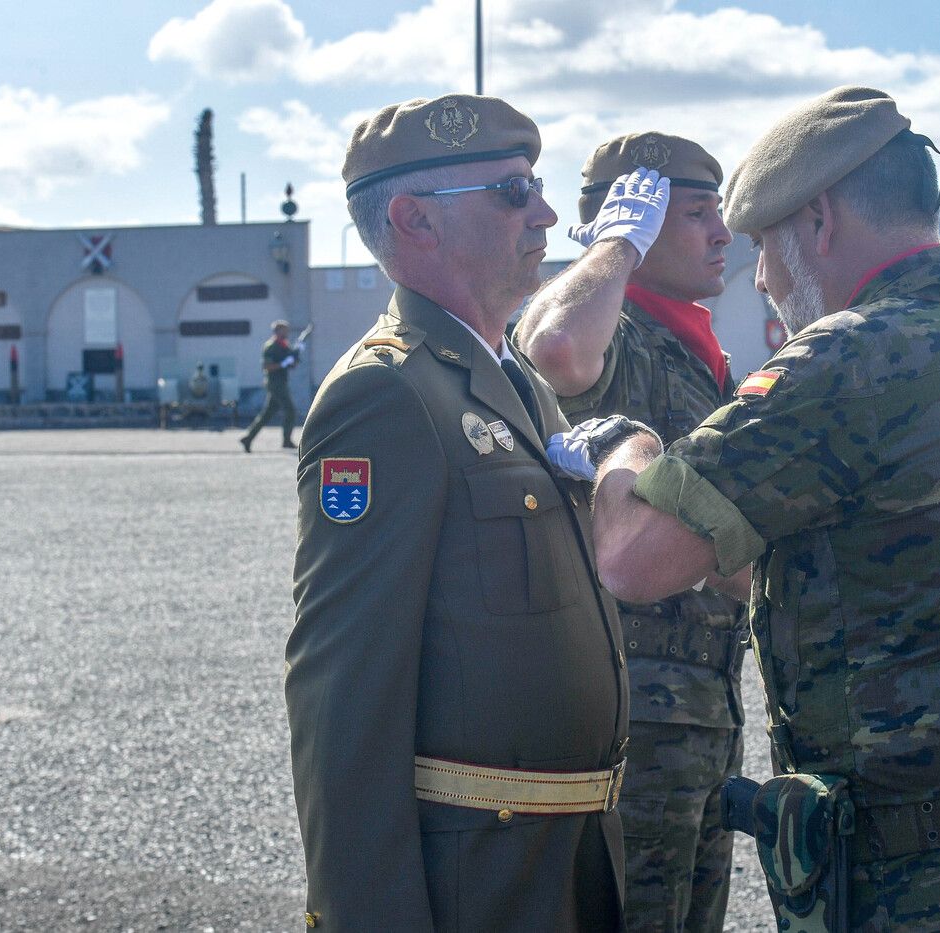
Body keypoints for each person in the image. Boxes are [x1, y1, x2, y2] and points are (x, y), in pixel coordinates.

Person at [554, 86, 940, 930]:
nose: (759, 276)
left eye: (764, 243)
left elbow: (636, 556)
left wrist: (623, 446)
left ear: (820, 222)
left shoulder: (856, 352)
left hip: (934, 887)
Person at [284, 93, 630, 932]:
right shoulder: (386, 394)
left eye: (537, 186)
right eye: (513, 192)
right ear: (414, 221)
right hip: (481, 874)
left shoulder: (518, 383)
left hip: (569, 852)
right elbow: (343, 693)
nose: (546, 213)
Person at [514, 132, 746, 933]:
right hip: (634, 706)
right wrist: (619, 242)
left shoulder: (697, 350)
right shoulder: (613, 336)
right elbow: (553, 349)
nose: (722, 232)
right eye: (694, 214)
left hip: (706, 700)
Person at [239, 319, 301, 451]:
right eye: (284, 330)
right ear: (277, 331)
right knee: (290, 410)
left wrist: (297, 353)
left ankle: (248, 438)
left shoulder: (285, 346)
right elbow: (267, 367)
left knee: (267, 414)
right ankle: (286, 440)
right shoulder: (271, 346)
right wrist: (283, 363)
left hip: (281, 382)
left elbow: (293, 364)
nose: (287, 333)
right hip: (275, 384)